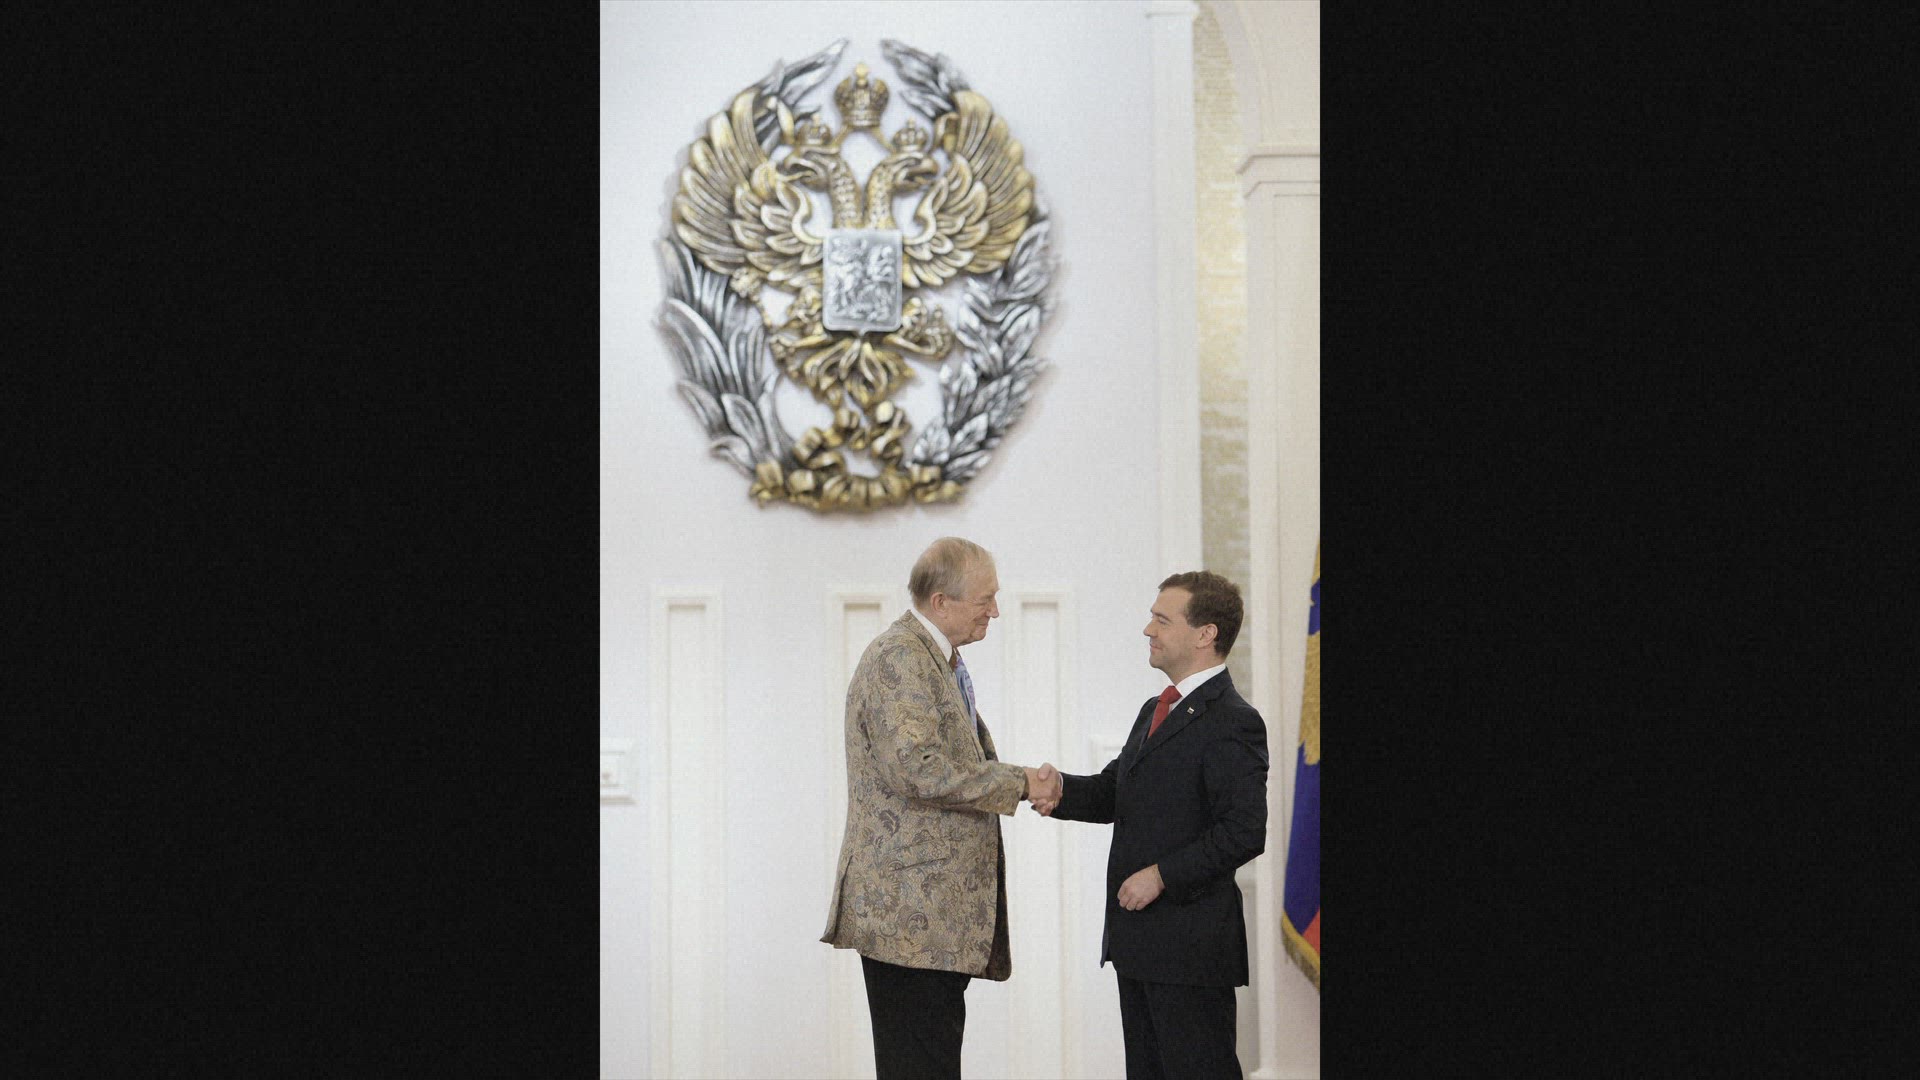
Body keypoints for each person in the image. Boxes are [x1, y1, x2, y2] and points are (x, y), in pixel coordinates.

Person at [820, 537, 1056, 1080]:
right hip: (909, 917)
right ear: (941, 601)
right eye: (985, 599)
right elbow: (918, 767)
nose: (995, 611)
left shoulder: (936, 659)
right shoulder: (900, 658)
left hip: (930, 923)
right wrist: (1021, 782)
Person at [1030, 570, 1269, 1080]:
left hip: (1190, 950)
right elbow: (1115, 792)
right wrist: (1054, 788)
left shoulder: (1233, 719)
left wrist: (1161, 875)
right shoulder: (1155, 709)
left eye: (1162, 620)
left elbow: (1244, 831)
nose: (1148, 630)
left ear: (1205, 634)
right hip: (1140, 945)